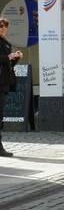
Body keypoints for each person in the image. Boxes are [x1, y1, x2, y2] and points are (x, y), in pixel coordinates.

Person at [0, 17, 23, 157]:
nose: (3, 28)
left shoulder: (6, 43)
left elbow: (7, 66)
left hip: (4, 83)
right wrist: (8, 57)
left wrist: (15, 59)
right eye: (1, 26)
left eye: (5, 26)